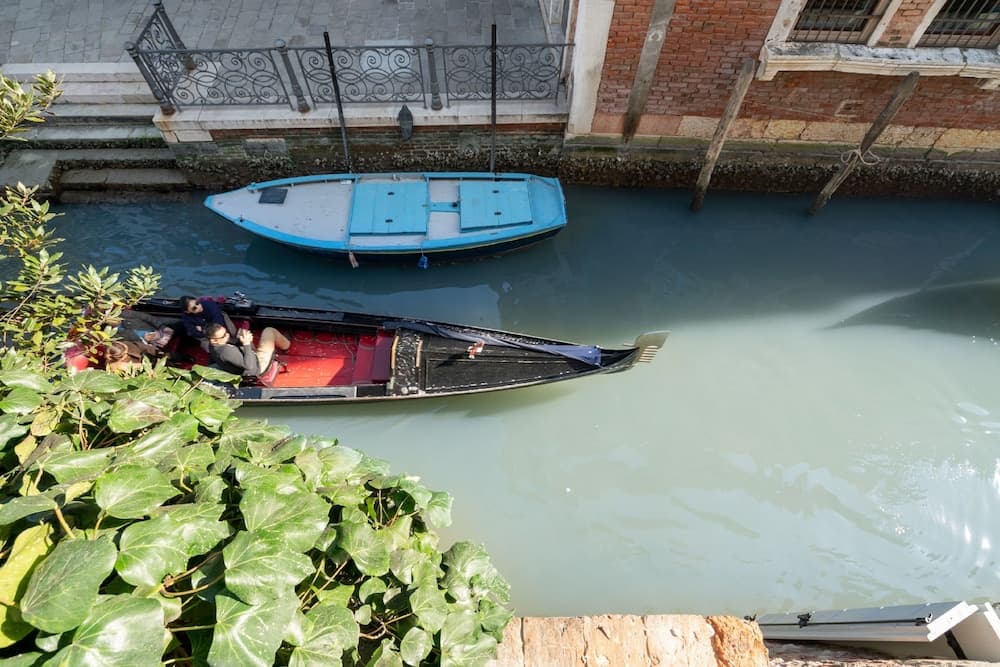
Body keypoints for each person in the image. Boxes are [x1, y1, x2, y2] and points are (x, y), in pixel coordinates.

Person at [205, 322, 289, 379]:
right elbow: (249, 366)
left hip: (248, 359)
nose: (227, 335)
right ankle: (286, 346)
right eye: (224, 336)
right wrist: (246, 343)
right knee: (269, 331)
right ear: (213, 340)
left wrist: (242, 340)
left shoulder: (212, 346)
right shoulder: (226, 352)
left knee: (243, 332)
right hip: (257, 366)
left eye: (226, 332)